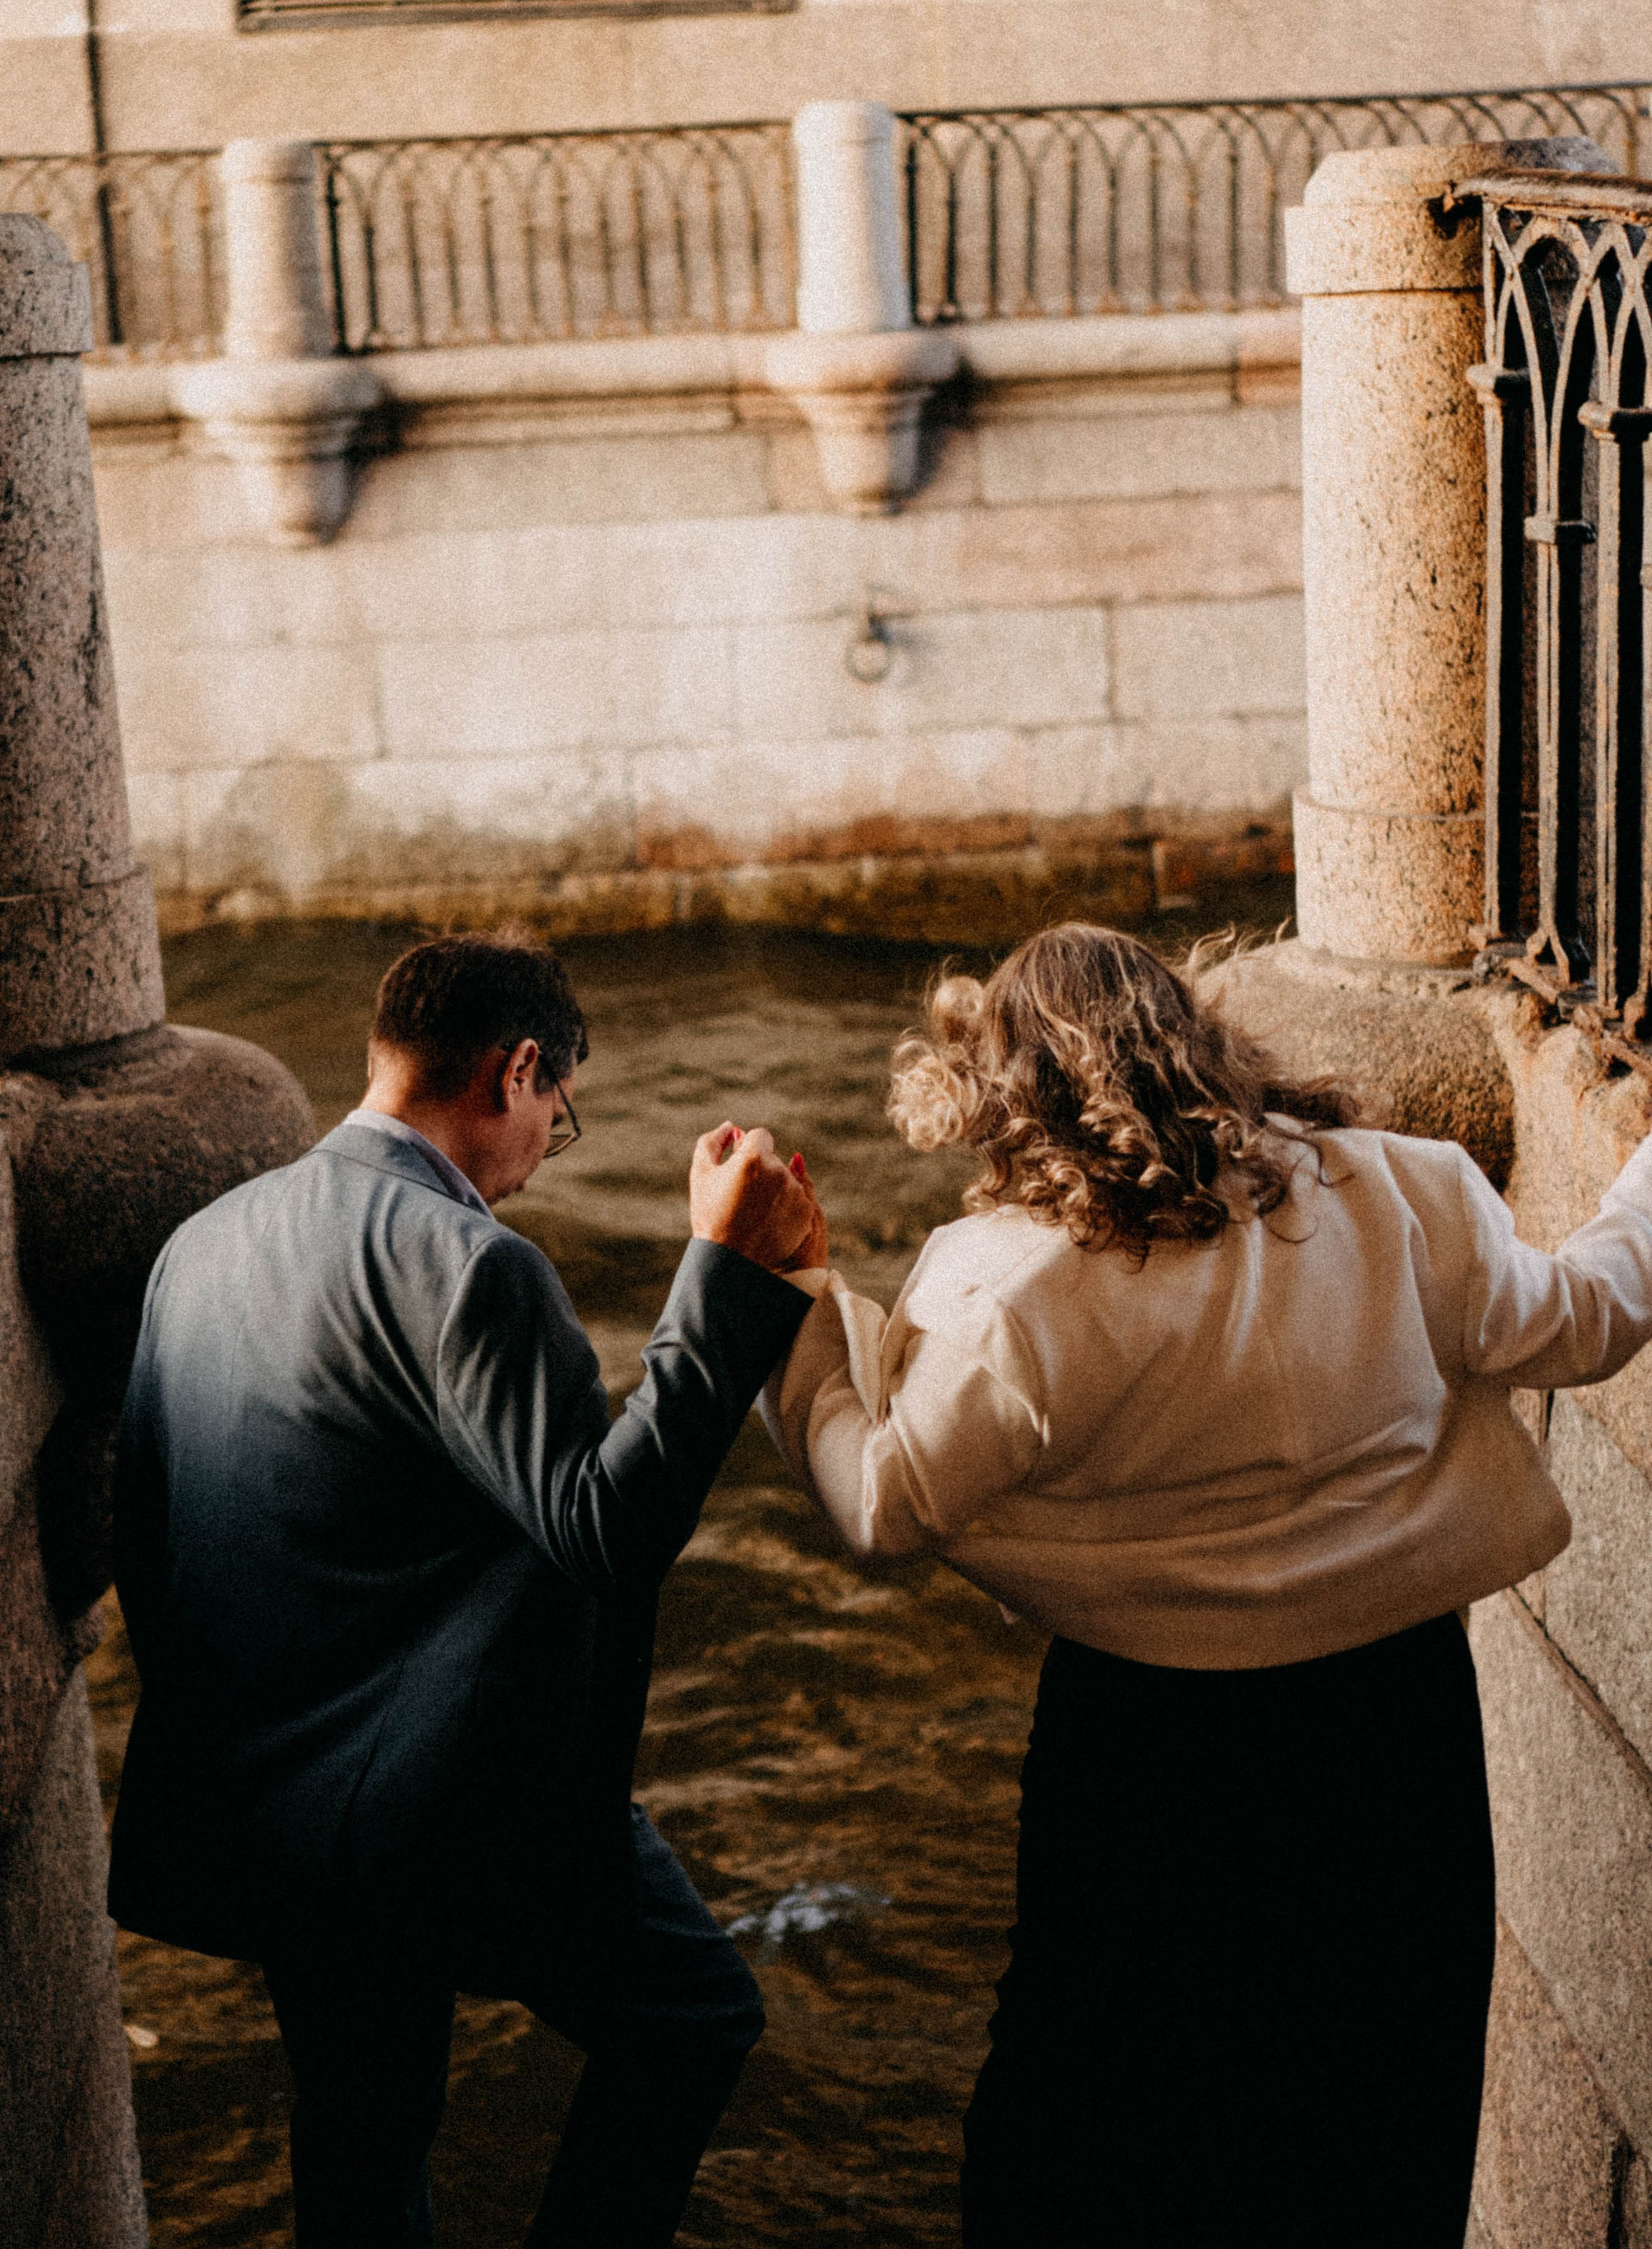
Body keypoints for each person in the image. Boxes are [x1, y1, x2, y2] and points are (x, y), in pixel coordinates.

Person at [761, 922, 1652, 2249]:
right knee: (1376, 2095)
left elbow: (886, 1499)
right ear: (1203, 1040)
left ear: (1003, 1092)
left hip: (1146, 1746)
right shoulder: (1399, 1192)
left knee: (1096, 2109)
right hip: (1388, 1720)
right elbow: (1585, 1318)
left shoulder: (1018, 1292)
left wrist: (798, 1292)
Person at [110, 929, 820, 2249]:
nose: (548, 1143)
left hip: (274, 1812)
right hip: (455, 1815)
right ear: (518, 1069)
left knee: (362, 2141)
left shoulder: (199, 1247)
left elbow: (145, 1536)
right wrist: (726, 1278)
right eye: (558, 1116)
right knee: (692, 2020)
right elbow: (603, 1531)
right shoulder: (473, 1265)